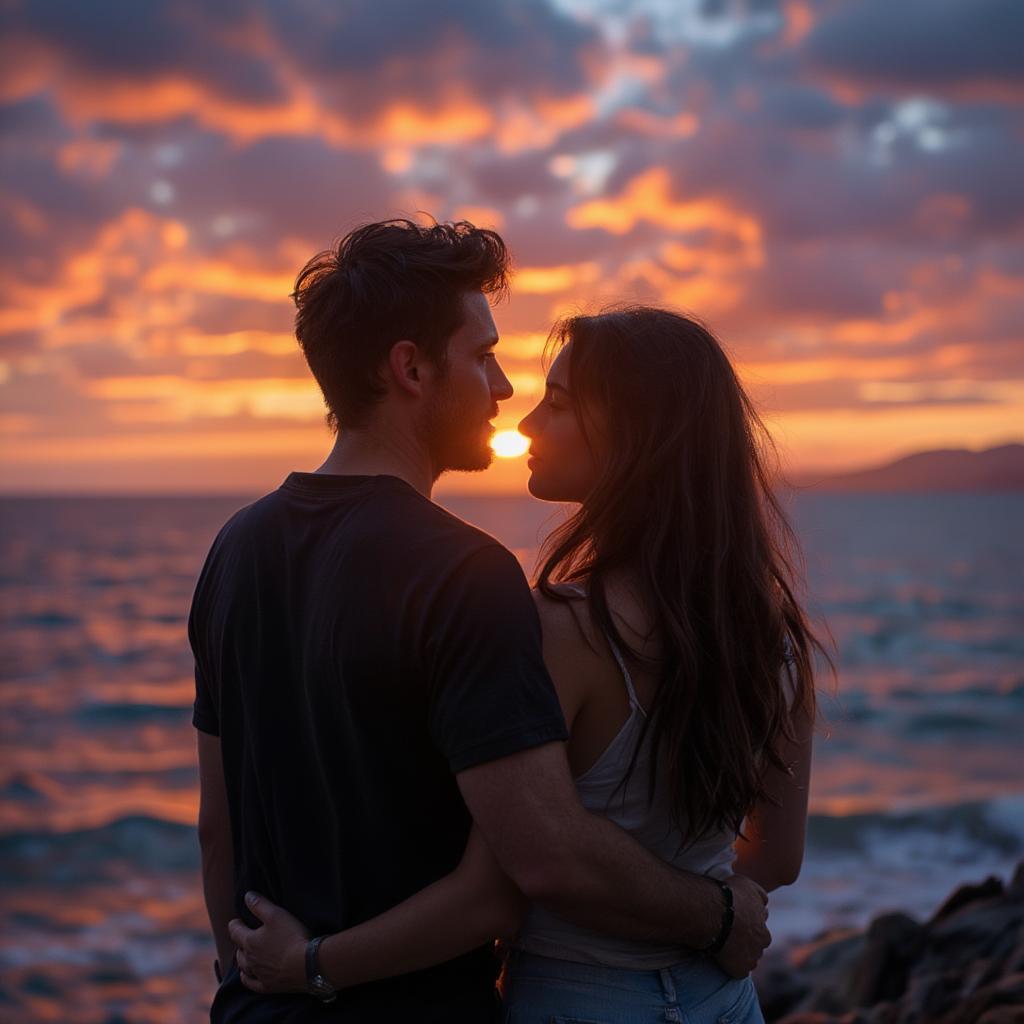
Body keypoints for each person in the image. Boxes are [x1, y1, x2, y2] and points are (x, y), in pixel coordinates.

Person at [191, 221, 772, 1023]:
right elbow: (522, 873)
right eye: (484, 355)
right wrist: (720, 916)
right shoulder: (465, 574)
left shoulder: (235, 548)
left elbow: (217, 831)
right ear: (411, 368)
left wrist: (252, 982)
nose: (502, 390)